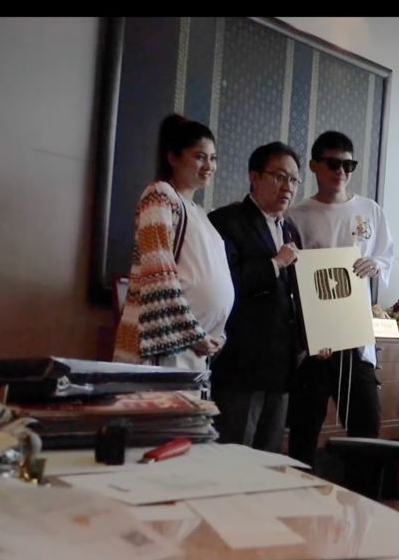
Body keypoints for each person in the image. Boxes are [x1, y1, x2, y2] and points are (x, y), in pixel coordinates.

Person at [286, 130, 394, 468]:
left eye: (349, 165)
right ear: (314, 166)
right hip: (315, 341)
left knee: (366, 423)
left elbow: (385, 256)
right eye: (333, 164)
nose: (341, 172)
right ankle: (299, 490)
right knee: (304, 427)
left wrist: (375, 264)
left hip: (355, 336)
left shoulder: (370, 210)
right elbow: (292, 277)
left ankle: (363, 494)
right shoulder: (297, 216)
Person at [113, 114, 233, 369]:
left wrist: (216, 335)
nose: (209, 165)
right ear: (173, 158)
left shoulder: (201, 214)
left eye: (213, 158)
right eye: (199, 156)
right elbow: (158, 274)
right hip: (162, 346)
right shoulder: (160, 195)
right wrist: (194, 334)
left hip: (195, 349)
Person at [206, 142, 304, 452]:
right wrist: (275, 263)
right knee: (234, 456)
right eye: (280, 177)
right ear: (254, 176)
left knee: (269, 460)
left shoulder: (290, 229)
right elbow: (225, 283)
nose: (288, 187)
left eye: (294, 180)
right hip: (242, 365)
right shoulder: (226, 221)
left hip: (281, 367)